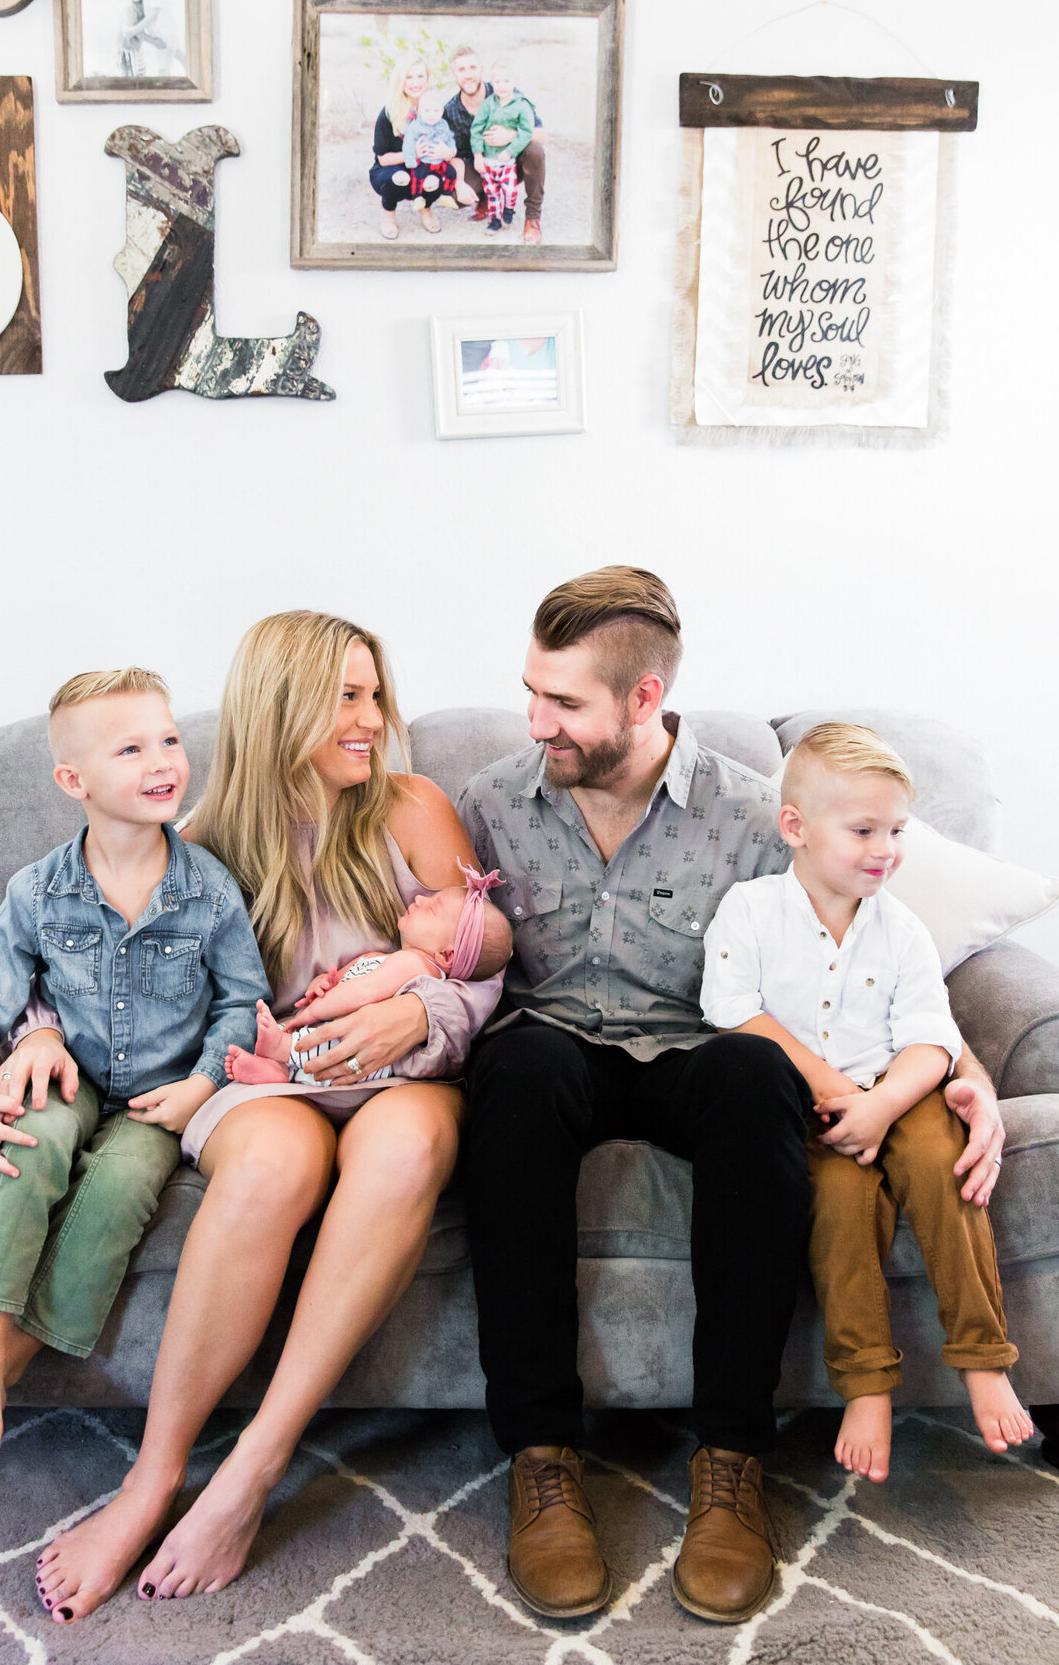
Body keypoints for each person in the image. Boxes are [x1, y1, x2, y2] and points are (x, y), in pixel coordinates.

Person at [457, 566, 1011, 1626]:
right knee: (516, 1070)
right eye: (531, 692)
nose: (537, 722)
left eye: (563, 702)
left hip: (700, 1054)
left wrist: (966, 1074)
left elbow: (889, 955)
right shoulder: (490, 802)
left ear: (644, 698)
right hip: (558, 1052)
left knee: (760, 1072)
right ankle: (542, 1456)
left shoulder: (764, 820)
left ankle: (731, 1459)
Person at [23, 611, 501, 1622]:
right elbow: (73, 953)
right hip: (261, 1080)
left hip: (401, 1071)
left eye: (376, 693)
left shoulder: (412, 807)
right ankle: (152, 1481)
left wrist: (414, 1004)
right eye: (347, 696)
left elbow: (488, 957)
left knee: (410, 1138)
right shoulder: (195, 843)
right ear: (280, 704)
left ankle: (250, 1468)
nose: (372, 718)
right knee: (278, 1162)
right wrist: (36, 1033)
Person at [0, 669, 268, 1464]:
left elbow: (241, 1005)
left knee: (120, 1189)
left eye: (170, 741)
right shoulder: (37, 892)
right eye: (132, 748)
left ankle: (13, 1362)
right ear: (73, 780)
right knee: (30, 1147)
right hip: (68, 1080)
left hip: (160, 1098)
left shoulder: (209, 892)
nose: (163, 762)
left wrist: (202, 1084)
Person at [701, 723, 1031, 1484]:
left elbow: (930, 1039)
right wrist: (834, 1091)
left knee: (942, 1161)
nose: (885, 849)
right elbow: (734, 1013)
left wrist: (882, 1107)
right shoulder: (750, 911)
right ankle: (867, 1384)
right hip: (809, 1105)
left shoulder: (902, 927)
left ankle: (983, 1358)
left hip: (897, 1092)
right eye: (863, 830)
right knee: (842, 1203)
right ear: (797, 829)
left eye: (896, 831)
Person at [225, 865, 512, 1087]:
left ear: (446, 955)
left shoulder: (415, 966)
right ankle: (281, 1071)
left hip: (358, 1056)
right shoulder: (396, 960)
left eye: (432, 907)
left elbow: (361, 994)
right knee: (327, 1042)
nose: (421, 898)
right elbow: (351, 980)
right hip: (349, 1060)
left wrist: (308, 1014)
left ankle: (282, 1049)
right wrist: (326, 984)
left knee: (328, 1039)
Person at [444, 44, 547, 244]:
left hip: (511, 162)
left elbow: (542, 135)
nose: (468, 75)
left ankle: (533, 219)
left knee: (535, 150)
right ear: (454, 75)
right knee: (455, 193)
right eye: (461, 70)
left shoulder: (505, 89)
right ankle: (485, 198)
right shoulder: (451, 111)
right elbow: (452, 155)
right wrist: (459, 182)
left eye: (472, 68)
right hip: (482, 165)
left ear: (481, 70)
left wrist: (511, 135)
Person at [370, 55, 447, 240]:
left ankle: (425, 208)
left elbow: (447, 144)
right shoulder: (389, 111)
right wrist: (412, 154)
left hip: (424, 168)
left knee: (436, 178)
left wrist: (446, 152)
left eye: (420, 76)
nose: (415, 83)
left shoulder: (435, 109)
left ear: (428, 79)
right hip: (392, 169)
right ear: (400, 80)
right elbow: (383, 158)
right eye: (408, 77)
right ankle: (388, 213)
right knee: (399, 177)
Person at [471, 63, 537, 234]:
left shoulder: (521, 105)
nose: (501, 86)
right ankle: (495, 220)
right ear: (491, 83)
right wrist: (478, 154)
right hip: (488, 160)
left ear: (514, 81)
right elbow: (476, 128)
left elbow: (526, 131)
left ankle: (508, 208)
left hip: (507, 161)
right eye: (497, 81)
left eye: (506, 81)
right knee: (491, 192)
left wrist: (510, 150)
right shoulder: (488, 104)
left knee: (509, 190)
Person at [392, 86, 478, 210]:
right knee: (418, 176)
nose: (431, 115)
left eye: (435, 111)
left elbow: (450, 138)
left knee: (451, 173)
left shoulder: (443, 125)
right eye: (427, 111)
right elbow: (408, 144)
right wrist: (411, 161)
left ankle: (446, 195)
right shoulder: (415, 127)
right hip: (424, 161)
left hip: (438, 161)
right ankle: (417, 197)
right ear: (420, 111)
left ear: (441, 112)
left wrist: (451, 151)